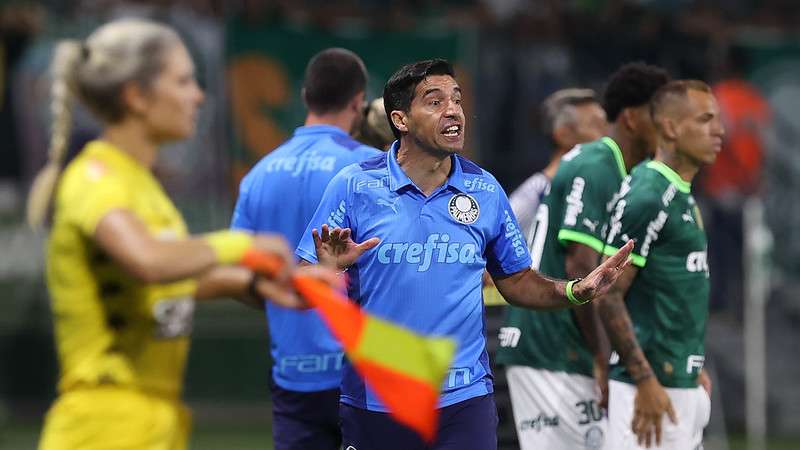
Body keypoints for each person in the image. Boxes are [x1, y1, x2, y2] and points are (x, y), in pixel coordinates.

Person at [295, 58, 634, 450]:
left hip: (464, 400)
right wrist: (327, 271)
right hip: (378, 398)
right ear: (401, 120)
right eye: (435, 102)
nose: (453, 110)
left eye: (456, 99)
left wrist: (577, 290)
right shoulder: (354, 186)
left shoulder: (485, 190)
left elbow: (518, 280)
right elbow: (300, 287)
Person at [27, 19, 323, 450]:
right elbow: (148, 262)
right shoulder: (95, 178)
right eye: (183, 81)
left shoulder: (143, 186)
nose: (198, 95)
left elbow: (168, 281)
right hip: (102, 427)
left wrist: (266, 283)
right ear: (137, 96)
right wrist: (243, 245)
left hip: (149, 424)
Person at [496, 63, 670, 450]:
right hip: (553, 344)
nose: (667, 121)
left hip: (572, 343)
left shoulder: (626, 171)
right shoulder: (594, 165)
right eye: (658, 110)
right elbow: (581, 267)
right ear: (632, 117)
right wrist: (601, 353)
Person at [231, 47, 381, 450]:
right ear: (358, 101)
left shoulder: (258, 175)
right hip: (364, 375)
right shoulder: (373, 170)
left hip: (293, 376)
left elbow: (240, 277)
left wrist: (286, 300)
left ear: (305, 96)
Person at [597, 80, 723, 449]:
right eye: (705, 120)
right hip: (650, 395)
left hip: (680, 383)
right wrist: (644, 381)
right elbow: (608, 294)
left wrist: (690, 362)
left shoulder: (679, 193)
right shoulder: (648, 194)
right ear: (669, 127)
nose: (719, 130)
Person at [509, 88, 607, 240]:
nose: (607, 135)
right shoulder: (534, 196)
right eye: (596, 125)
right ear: (563, 134)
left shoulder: (604, 187)